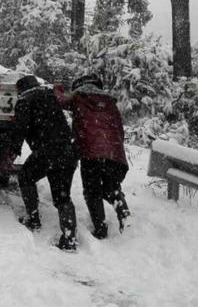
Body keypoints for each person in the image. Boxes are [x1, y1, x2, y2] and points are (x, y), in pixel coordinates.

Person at [54, 74, 131, 240]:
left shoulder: (79, 97)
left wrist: (57, 88)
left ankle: (101, 228)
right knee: (111, 186)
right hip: (114, 152)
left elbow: (59, 100)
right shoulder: (110, 102)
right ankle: (123, 210)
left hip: (91, 151)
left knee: (92, 191)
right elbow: (119, 129)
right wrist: (113, 148)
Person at [11, 75, 78, 252]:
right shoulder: (51, 97)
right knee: (63, 196)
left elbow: (20, 127)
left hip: (46, 151)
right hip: (67, 151)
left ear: (21, 89)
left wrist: (13, 149)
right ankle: (69, 238)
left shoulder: (25, 100)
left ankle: (33, 219)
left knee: (26, 177)